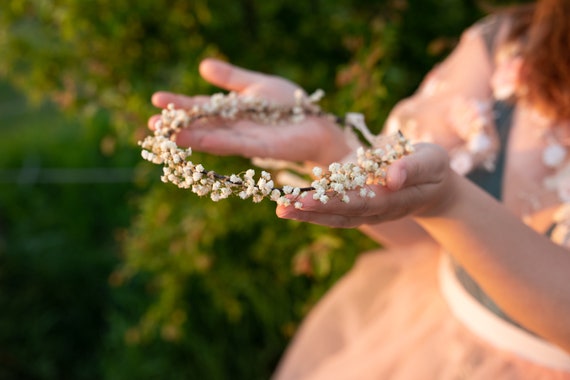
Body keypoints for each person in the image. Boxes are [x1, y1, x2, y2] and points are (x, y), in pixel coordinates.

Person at [148, 0, 570, 378]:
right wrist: (328, 145)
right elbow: (419, 232)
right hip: (428, 341)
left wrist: (451, 202)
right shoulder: (507, 44)